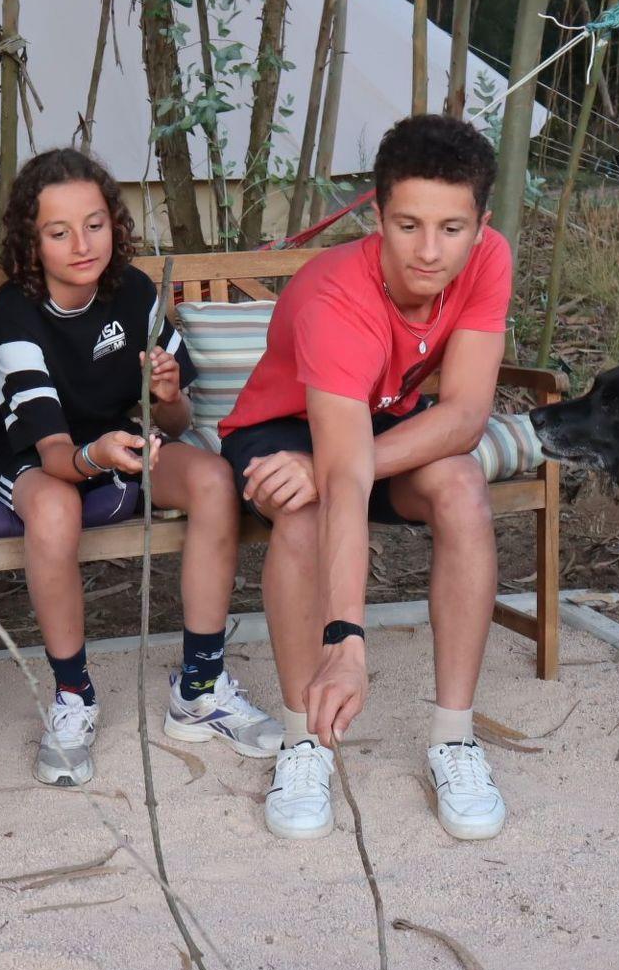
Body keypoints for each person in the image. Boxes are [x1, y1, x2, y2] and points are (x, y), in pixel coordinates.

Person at [217, 115, 513, 843]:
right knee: (302, 515)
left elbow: (465, 416)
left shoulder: (490, 259)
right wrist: (346, 639)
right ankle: (303, 741)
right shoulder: (335, 298)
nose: (429, 250)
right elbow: (342, 480)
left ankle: (454, 738)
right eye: (409, 226)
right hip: (281, 430)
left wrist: (333, 468)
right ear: (378, 217)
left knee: (461, 486)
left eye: (452, 228)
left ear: (481, 225)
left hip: (376, 428)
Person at [0, 148, 279, 786]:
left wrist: (168, 394)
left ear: (114, 225)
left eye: (95, 224)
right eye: (58, 232)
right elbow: (55, 454)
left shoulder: (134, 290)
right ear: (31, 243)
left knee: (213, 480)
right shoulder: (15, 314)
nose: (82, 244)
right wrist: (99, 455)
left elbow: (174, 421)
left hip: (123, 443)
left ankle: (199, 687)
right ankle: (73, 696)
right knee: (55, 509)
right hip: (42, 457)